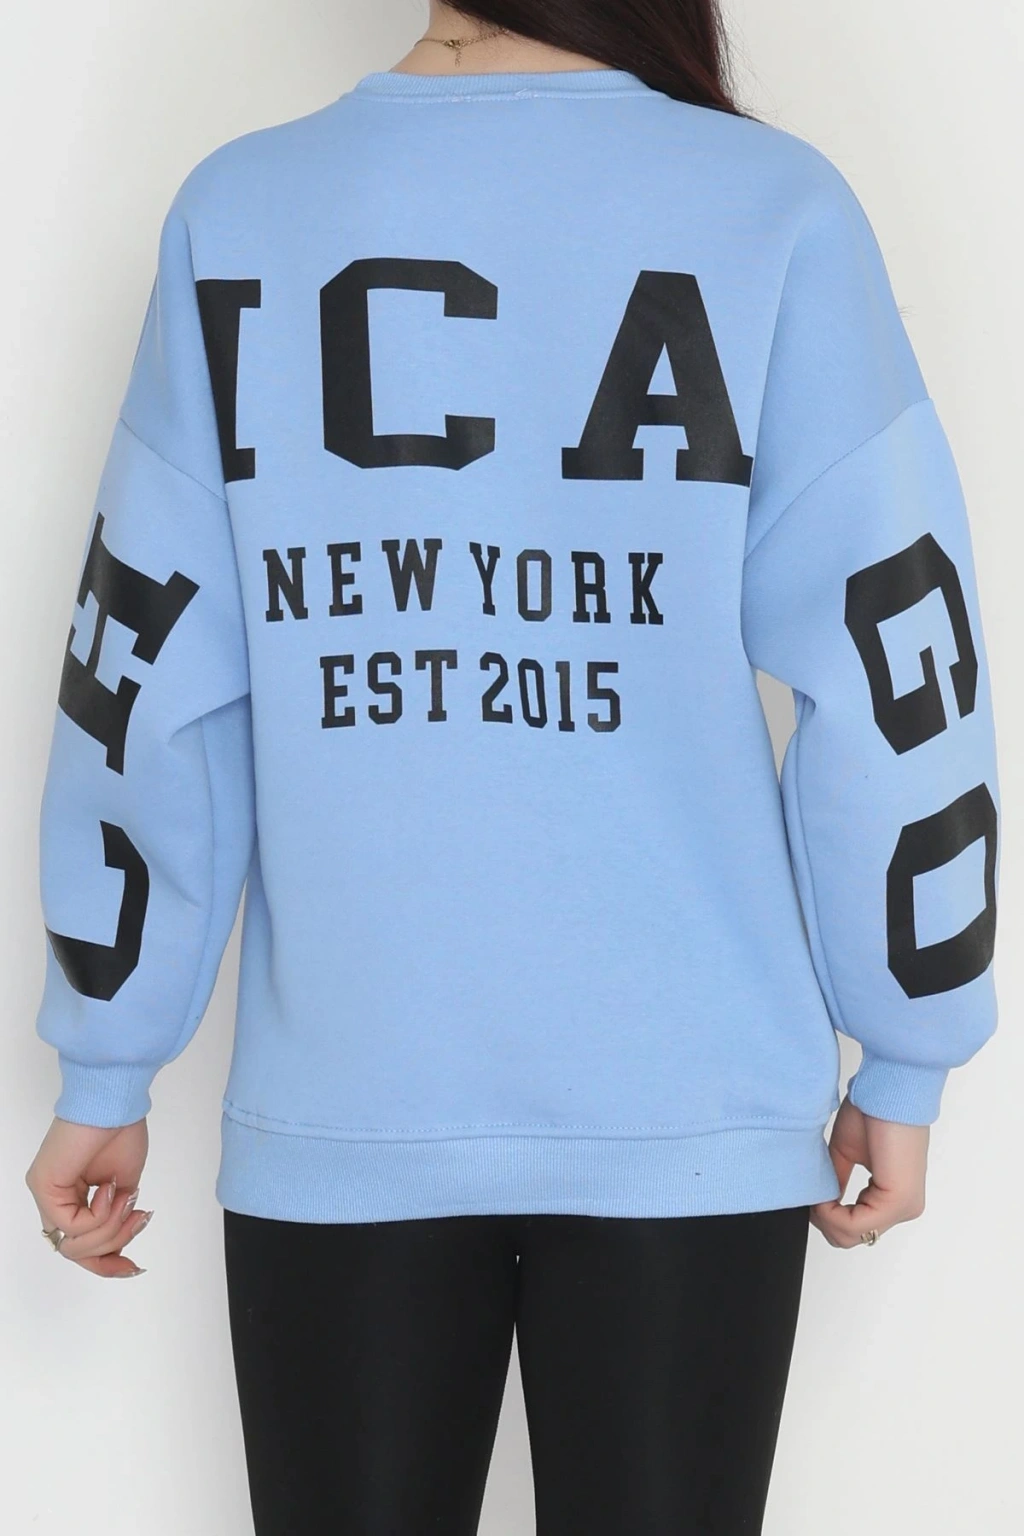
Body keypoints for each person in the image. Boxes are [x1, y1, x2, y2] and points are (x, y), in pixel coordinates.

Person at [24, 3, 1000, 1531]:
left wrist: (110, 1054)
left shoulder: (245, 211)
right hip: (693, 1097)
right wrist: (905, 1044)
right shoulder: (770, 207)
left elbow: (145, 680)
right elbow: (896, 656)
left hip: (349, 1092)